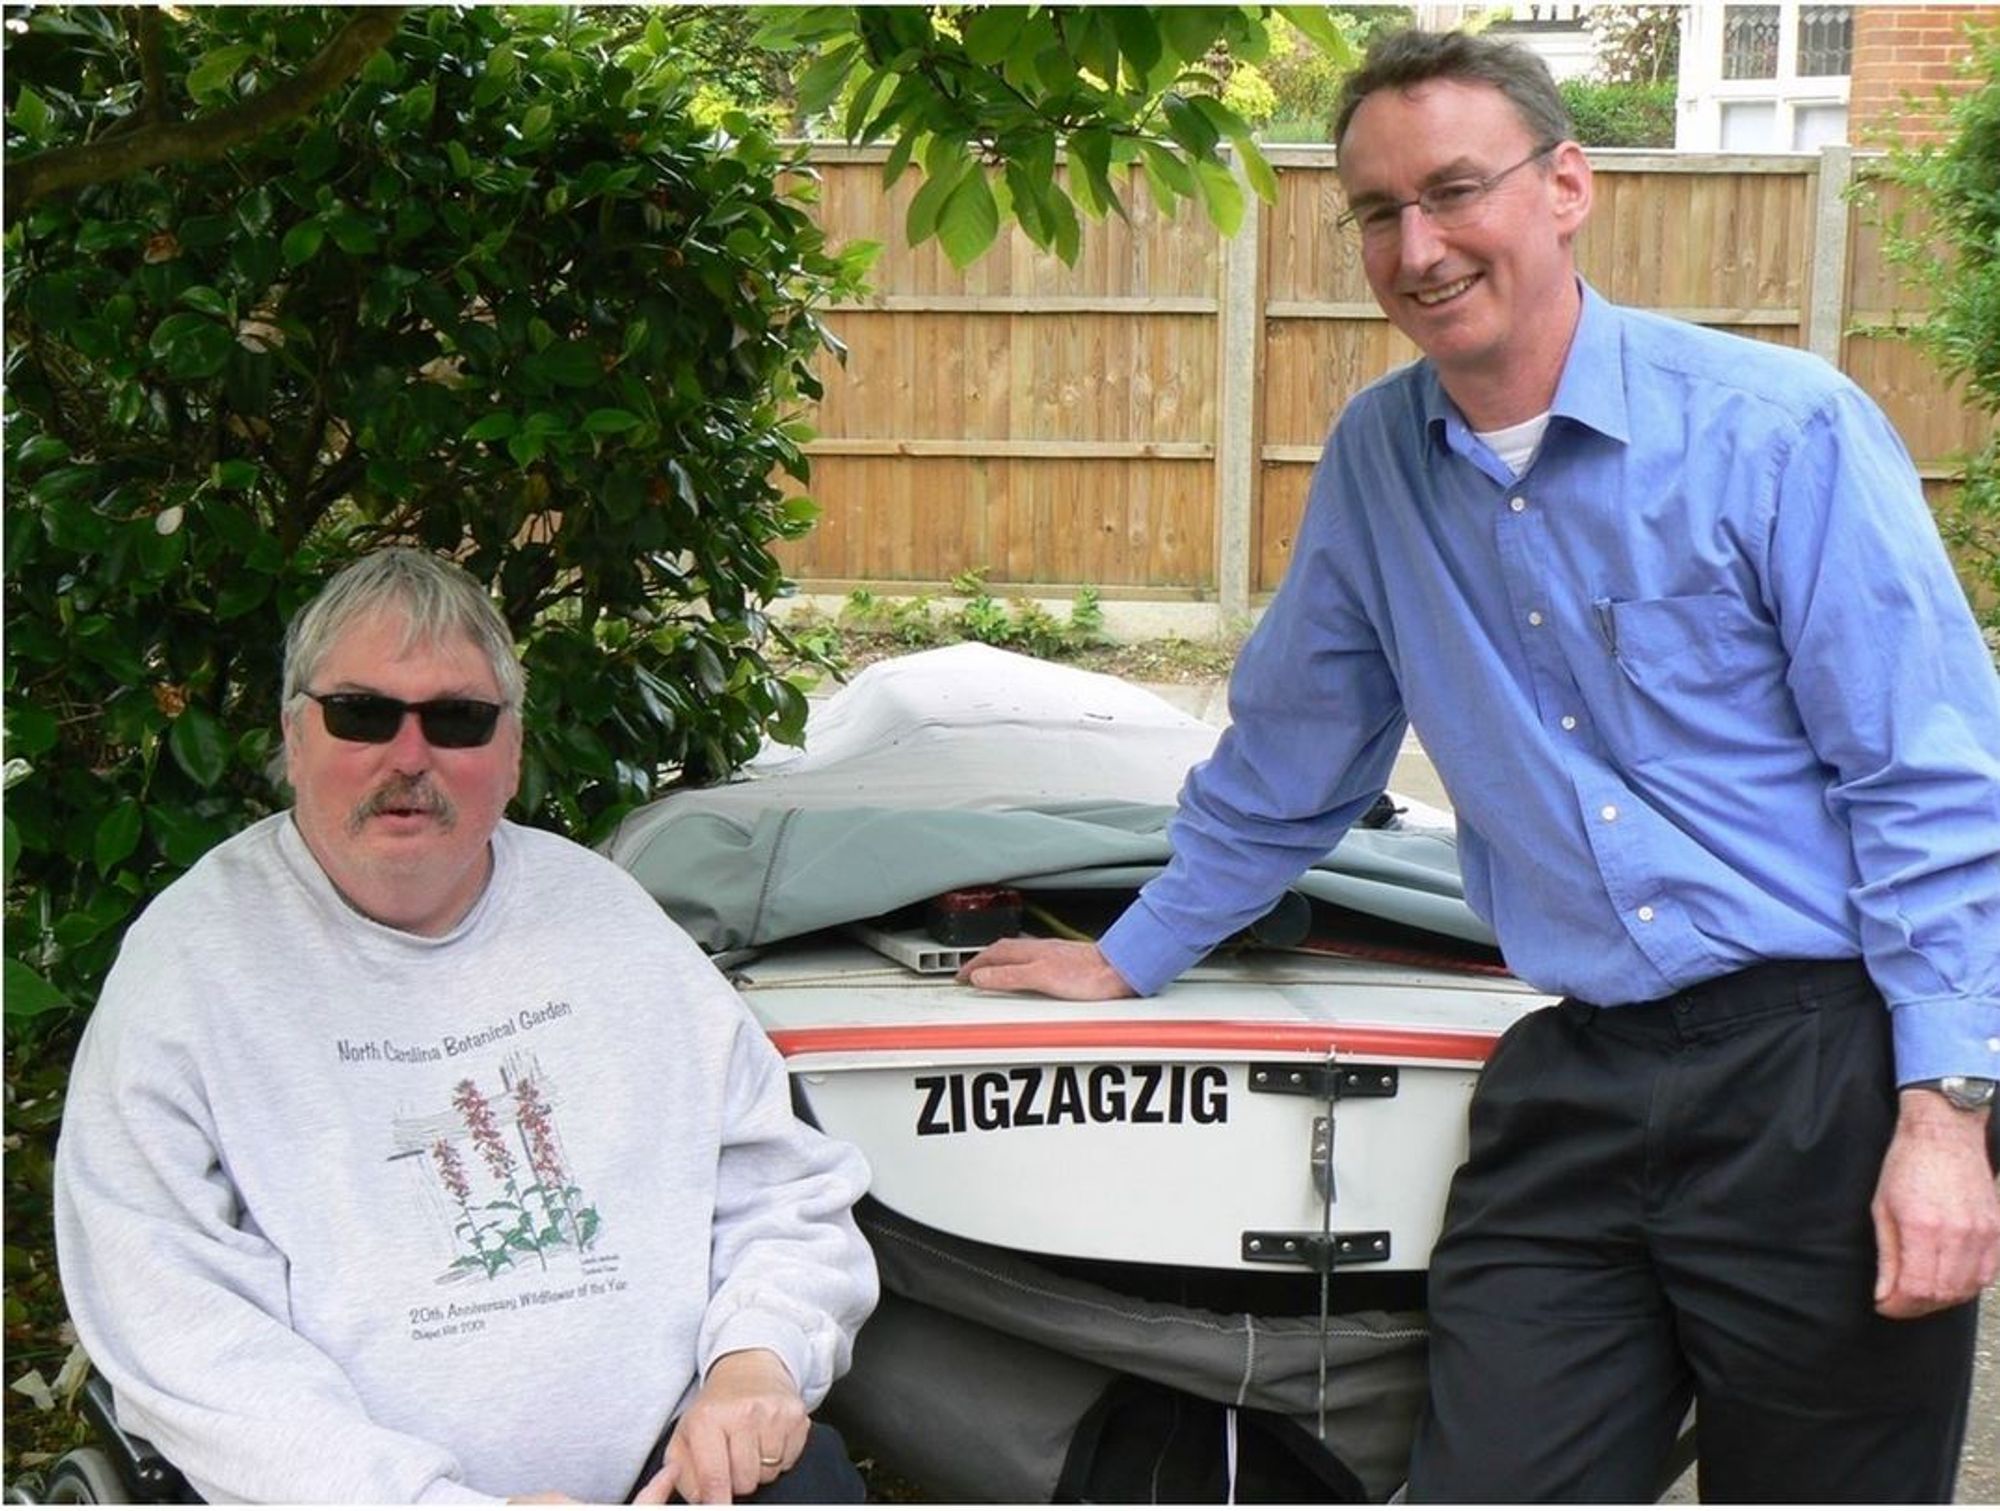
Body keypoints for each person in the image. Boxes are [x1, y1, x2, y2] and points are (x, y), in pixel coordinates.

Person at [962, 26, 2000, 1504]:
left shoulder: (1781, 435)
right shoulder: (1378, 464)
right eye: (1376, 210)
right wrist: (1132, 952)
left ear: (1566, 183)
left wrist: (1947, 1115)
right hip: (1580, 1073)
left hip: (1815, 1073)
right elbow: (1294, 755)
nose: (1419, 244)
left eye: (1455, 190)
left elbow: (1934, 779)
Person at [55, 548, 878, 1504]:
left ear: (514, 751)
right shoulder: (192, 969)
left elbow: (782, 1188)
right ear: (293, 731)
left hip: (680, 1475)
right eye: (362, 714)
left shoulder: (609, 923)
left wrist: (754, 1361)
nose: (409, 757)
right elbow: (170, 1316)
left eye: (457, 719)